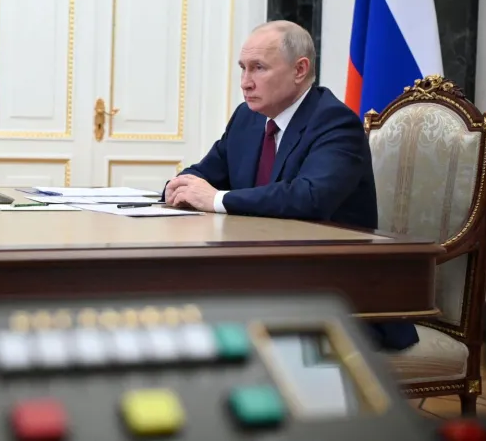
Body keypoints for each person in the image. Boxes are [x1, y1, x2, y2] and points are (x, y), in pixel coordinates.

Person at [163, 20, 417, 351]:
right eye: (242, 68)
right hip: (263, 277)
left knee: (211, 325)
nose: (245, 82)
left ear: (299, 70)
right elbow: (205, 173)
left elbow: (309, 197)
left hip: (335, 296)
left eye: (258, 68)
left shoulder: (335, 122)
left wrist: (215, 199)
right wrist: (178, 186)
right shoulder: (247, 118)